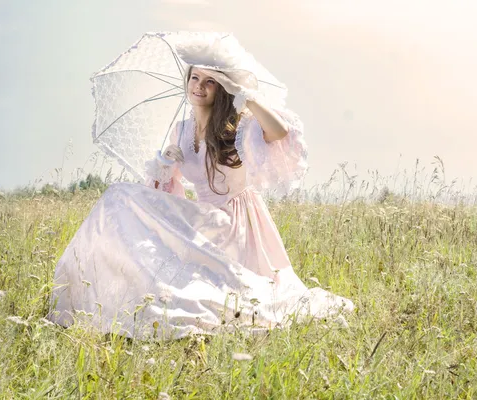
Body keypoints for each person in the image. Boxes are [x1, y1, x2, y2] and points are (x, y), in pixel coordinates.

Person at [49, 44, 353, 339]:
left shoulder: (240, 126)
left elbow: (280, 133)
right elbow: (169, 199)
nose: (199, 86)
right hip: (204, 217)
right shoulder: (181, 130)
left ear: (221, 88)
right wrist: (164, 166)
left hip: (235, 221)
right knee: (117, 197)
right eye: (195, 78)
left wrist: (246, 97)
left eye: (210, 81)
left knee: (122, 198)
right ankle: (89, 295)